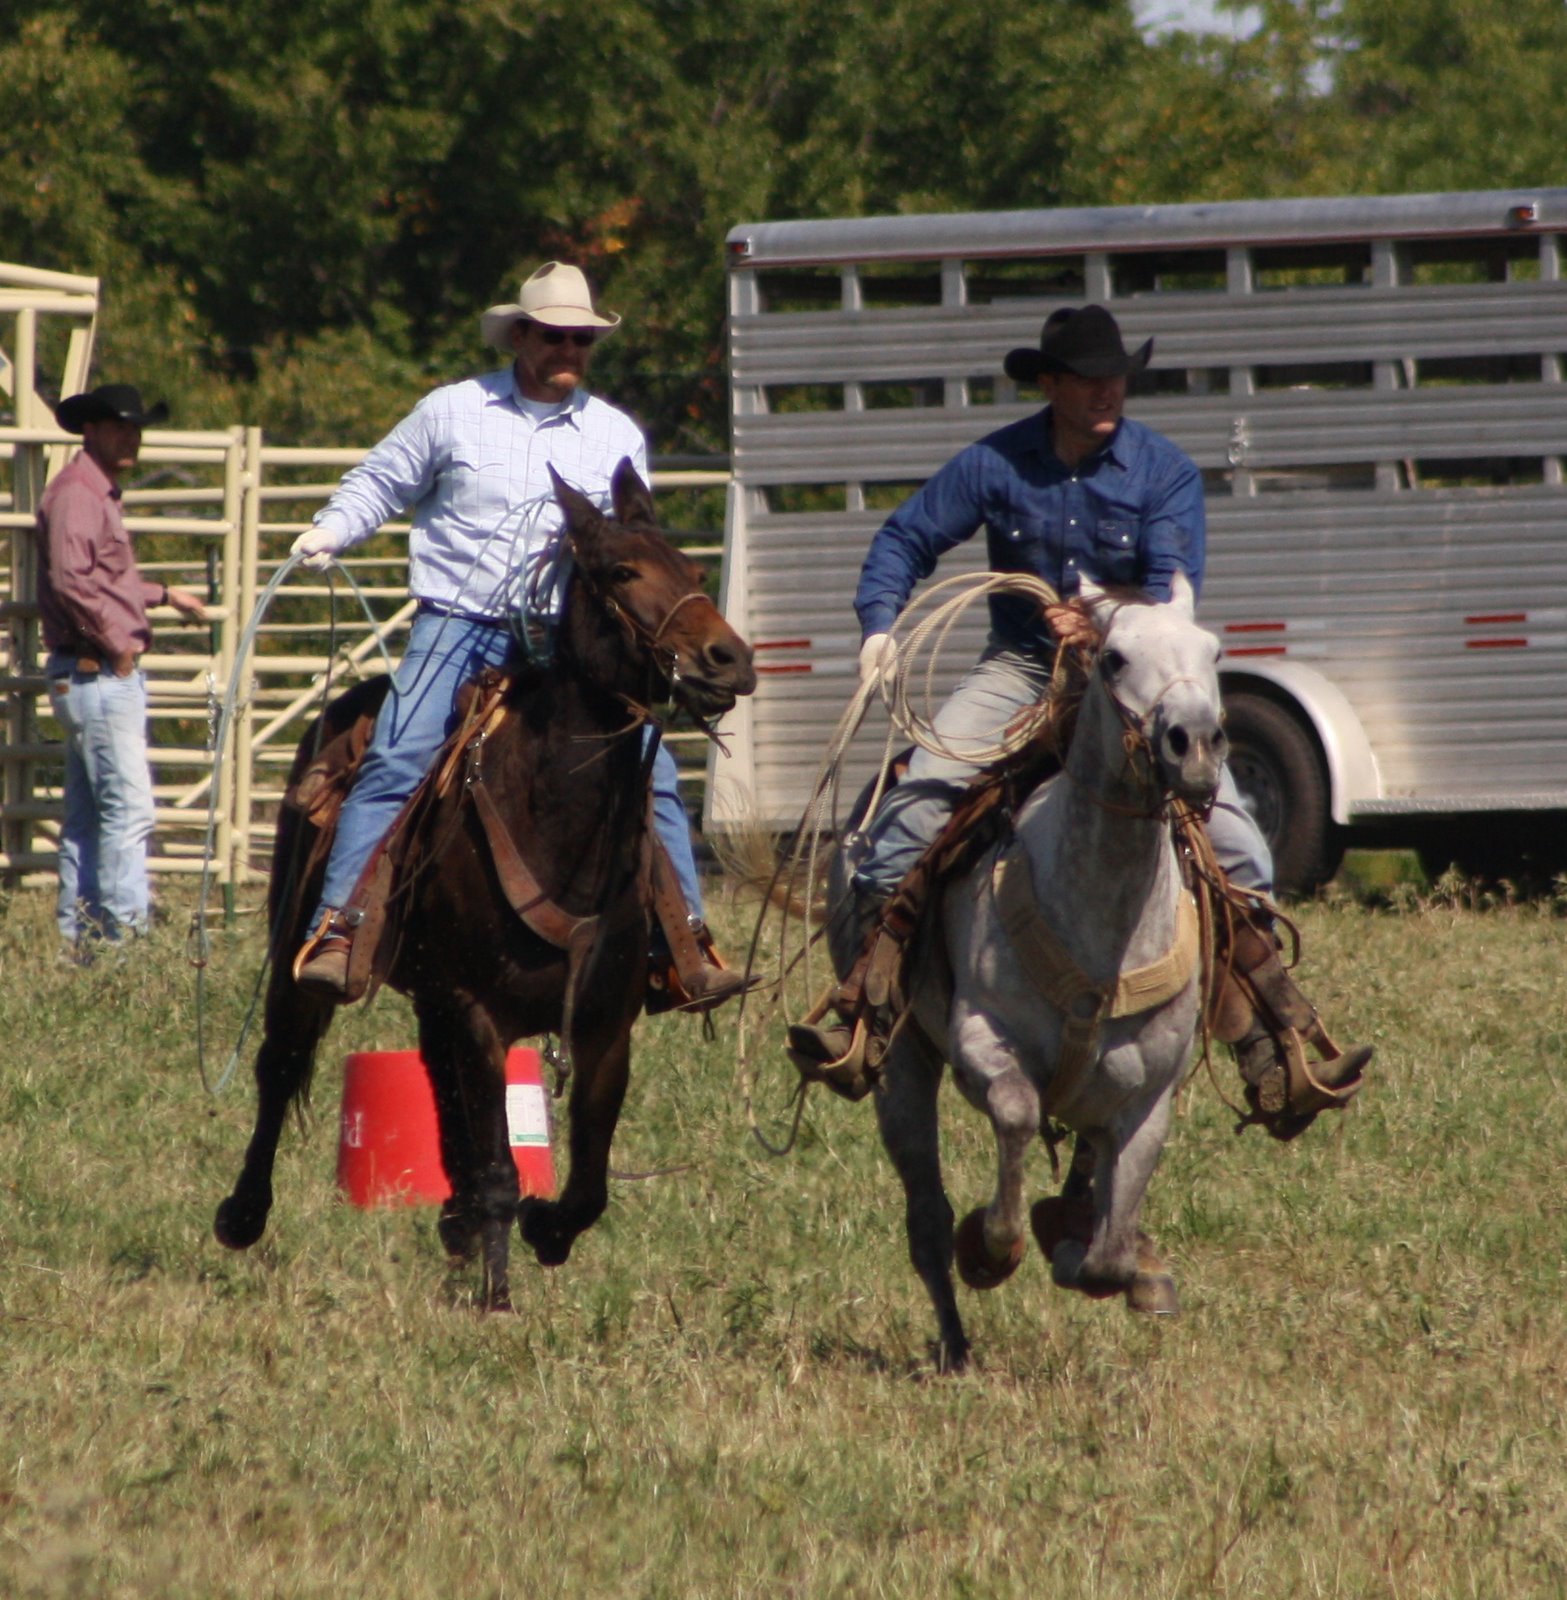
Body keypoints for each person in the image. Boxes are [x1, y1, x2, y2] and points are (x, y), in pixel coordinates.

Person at [789, 306, 1370, 1128]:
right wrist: (880, 627)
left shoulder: (1161, 471)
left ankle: (1267, 1038)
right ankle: (868, 1017)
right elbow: (905, 537)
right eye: (1087, 378)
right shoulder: (996, 462)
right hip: (1021, 667)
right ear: (1050, 384)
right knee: (909, 816)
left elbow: (1172, 592)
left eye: (1116, 376)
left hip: (1130, 676)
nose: (1106, 391)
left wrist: (1100, 615)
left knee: (1237, 845)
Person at [288, 261, 743, 1007]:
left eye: (582, 339)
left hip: (569, 641)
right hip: (459, 622)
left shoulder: (614, 434)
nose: (570, 349)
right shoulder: (451, 412)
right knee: (400, 751)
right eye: (556, 336)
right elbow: (380, 481)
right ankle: (341, 925)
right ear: (521, 336)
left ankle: (683, 941)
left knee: (652, 766)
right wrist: (332, 530)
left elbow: (634, 539)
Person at [36, 384, 208, 952]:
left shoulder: (88, 492)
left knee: (89, 816)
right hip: (98, 672)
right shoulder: (81, 495)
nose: (130, 436)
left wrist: (161, 594)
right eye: (118, 426)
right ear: (91, 430)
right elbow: (69, 581)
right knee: (128, 810)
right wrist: (116, 644)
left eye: (135, 427)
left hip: (88, 672)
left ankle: (80, 940)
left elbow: (95, 576)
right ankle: (124, 941)